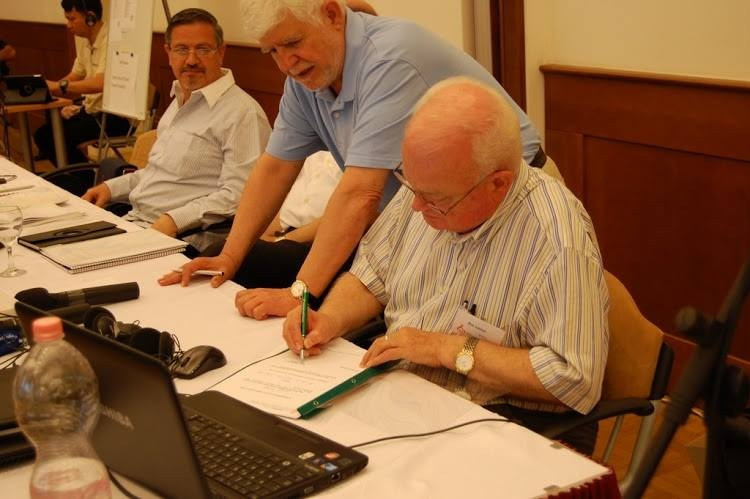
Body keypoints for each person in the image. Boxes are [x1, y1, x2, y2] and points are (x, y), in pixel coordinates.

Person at [164, 0, 550, 322]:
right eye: (273, 51)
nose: (286, 63)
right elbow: (275, 168)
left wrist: (299, 293)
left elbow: (361, 194)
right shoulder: (307, 76)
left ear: (332, 15)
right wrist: (229, 257)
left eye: (293, 43)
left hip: (507, 201)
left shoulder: (390, 57)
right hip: (428, 218)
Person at [281, 77, 609, 454]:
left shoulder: (557, 242)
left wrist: (444, 349)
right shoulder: (429, 185)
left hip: (498, 421)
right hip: (404, 393)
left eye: (435, 198)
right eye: (410, 185)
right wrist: (329, 319)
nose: (416, 206)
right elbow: (372, 272)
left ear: (498, 184)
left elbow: (573, 378)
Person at [82, 8, 271, 254]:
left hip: (181, 241)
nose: (191, 60)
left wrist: (174, 221)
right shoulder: (180, 98)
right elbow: (160, 174)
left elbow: (239, 196)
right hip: (135, 222)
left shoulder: (242, 113)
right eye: (181, 49)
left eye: (203, 49)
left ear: (221, 52)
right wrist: (110, 189)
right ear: (168, 52)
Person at [33, 0, 131, 166]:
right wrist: (49, 87)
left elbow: (100, 83)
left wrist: (60, 86)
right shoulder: (85, 41)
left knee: (58, 137)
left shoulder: (113, 41)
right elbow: (76, 74)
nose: (68, 25)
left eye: (72, 19)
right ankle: (80, 175)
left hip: (115, 116)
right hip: (93, 111)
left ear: (91, 18)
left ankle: (83, 178)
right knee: (43, 134)